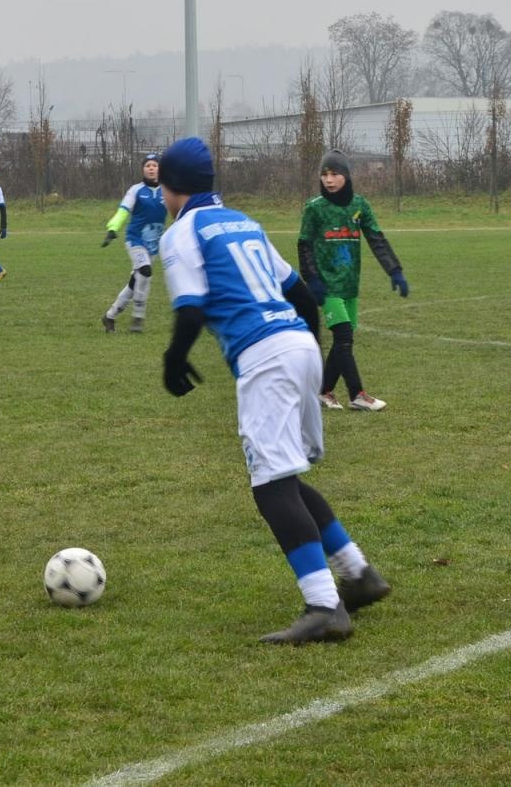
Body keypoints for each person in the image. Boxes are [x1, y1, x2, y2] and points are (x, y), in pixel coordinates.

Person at [158, 136, 391, 645]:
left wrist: (174, 359)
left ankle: (325, 606)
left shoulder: (180, 234)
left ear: (170, 186)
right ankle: (357, 575)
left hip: (266, 355)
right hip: (298, 345)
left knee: (269, 486)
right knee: (286, 478)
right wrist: (306, 345)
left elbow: (192, 307)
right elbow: (300, 293)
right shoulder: (243, 221)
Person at [296, 149, 409, 412]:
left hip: (350, 285)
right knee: (344, 336)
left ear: (346, 175)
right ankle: (357, 394)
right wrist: (312, 278)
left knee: (342, 341)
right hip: (328, 286)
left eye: (334, 173)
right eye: (324, 174)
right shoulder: (315, 209)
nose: (329, 179)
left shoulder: (359, 206)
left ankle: (323, 391)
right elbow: (304, 246)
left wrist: (394, 270)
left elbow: (376, 238)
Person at [101, 152, 166, 333]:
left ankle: (110, 316)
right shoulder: (136, 190)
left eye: (154, 165)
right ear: (143, 170)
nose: (151, 168)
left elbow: (180, 211)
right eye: (147, 166)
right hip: (135, 240)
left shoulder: (168, 190)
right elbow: (123, 210)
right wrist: (113, 229)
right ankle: (138, 317)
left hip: (153, 245)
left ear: (160, 169)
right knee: (145, 272)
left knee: (134, 282)